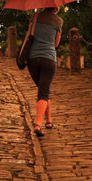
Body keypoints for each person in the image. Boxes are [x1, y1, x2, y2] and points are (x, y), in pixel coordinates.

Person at [27, 7, 63, 137]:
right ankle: (38, 124)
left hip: (32, 59)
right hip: (48, 59)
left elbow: (29, 34)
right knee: (43, 92)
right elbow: (56, 44)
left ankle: (49, 120)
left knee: (43, 89)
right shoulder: (58, 21)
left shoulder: (35, 16)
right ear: (56, 7)